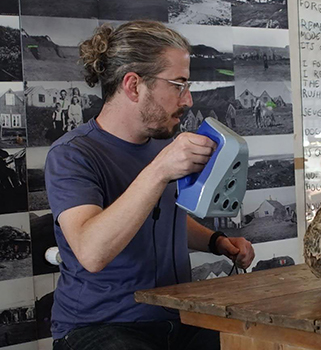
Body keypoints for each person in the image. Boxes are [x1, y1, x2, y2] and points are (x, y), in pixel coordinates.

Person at [45, 20, 255, 350]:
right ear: (133, 86)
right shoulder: (72, 155)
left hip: (177, 316)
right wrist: (158, 171)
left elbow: (164, 214)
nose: (187, 100)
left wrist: (216, 241)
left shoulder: (162, 145)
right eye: (178, 85)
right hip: (100, 326)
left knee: (252, 340)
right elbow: (91, 251)